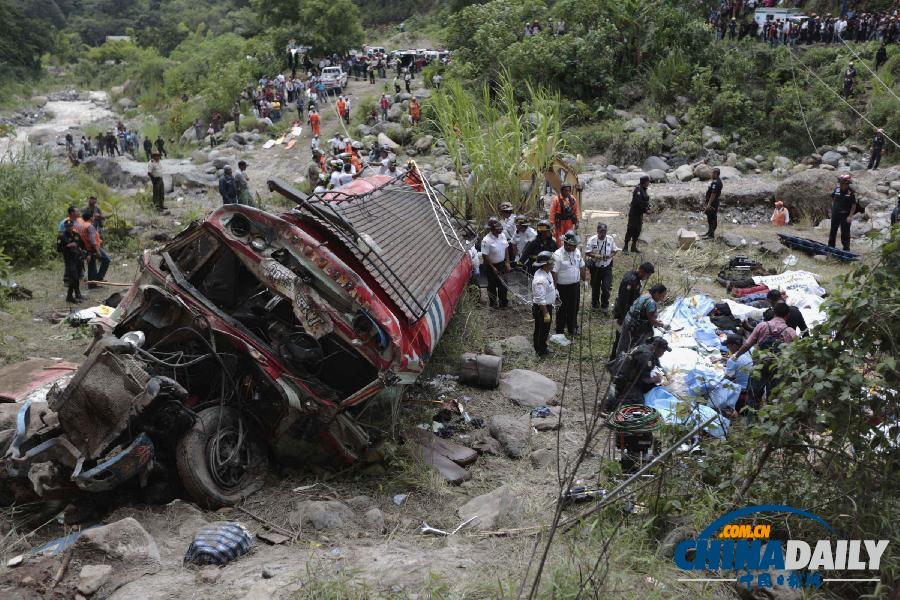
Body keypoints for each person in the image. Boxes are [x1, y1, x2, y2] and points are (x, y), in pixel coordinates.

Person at [733, 302, 797, 407]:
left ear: (774, 312)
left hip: (760, 365)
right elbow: (795, 352)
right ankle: (770, 419)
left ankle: (751, 420)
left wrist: (736, 356)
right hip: (777, 368)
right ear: (787, 315)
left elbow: (747, 344)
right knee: (774, 397)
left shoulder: (762, 326)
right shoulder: (790, 332)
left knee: (753, 395)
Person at [611, 337, 670, 408]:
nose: (663, 353)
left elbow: (658, 365)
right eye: (663, 351)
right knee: (638, 402)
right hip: (626, 380)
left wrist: (665, 375)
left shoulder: (651, 350)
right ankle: (609, 403)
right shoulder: (645, 356)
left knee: (655, 386)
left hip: (632, 377)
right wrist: (655, 379)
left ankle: (623, 394)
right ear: (657, 348)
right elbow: (642, 377)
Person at [616, 283, 668, 356]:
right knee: (635, 347)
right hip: (635, 325)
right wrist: (662, 325)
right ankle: (626, 362)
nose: (662, 298)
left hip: (628, 320)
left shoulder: (645, 295)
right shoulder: (651, 303)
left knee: (623, 344)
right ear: (656, 293)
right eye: (662, 296)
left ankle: (617, 360)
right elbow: (651, 320)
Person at [552, 231, 586, 338]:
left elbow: (582, 265)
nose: (574, 247)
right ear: (566, 243)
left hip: (575, 286)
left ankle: (572, 328)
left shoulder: (577, 252)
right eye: (573, 245)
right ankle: (560, 331)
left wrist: (585, 280)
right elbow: (554, 272)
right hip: (562, 287)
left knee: (574, 308)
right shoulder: (557, 255)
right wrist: (555, 289)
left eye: (575, 245)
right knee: (562, 310)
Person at [584, 222, 618, 314]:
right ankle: (595, 304)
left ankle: (605, 305)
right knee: (595, 286)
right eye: (601, 232)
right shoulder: (592, 240)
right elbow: (587, 252)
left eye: (604, 232)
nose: (603, 234)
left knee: (606, 287)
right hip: (595, 267)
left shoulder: (610, 239)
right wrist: (596, 256)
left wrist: (609, 256)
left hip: (607, 267)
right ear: (597, 231)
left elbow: (615, 251)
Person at [531, 251, 557, 357]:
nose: (554, 264)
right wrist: (546, 313)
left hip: (547, 306)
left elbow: (550, 287)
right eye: (552, 262)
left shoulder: (547, 272)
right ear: (546, 264)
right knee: (541, 329)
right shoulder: (540, 280)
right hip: (542, 308)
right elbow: (540, 299)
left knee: (545, 329)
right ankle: (540, 351)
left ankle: (543, 347)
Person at [482, 217, 510, 308]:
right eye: (497, 229)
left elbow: (506, 248)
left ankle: (503, 303)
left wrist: (507, 262)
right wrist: (492, 267)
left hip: (502, 263)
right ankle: (493, 304)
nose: (500, 230)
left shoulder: (502, 235)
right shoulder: (486, 240)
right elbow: (485, 255)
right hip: (491, 265)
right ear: (492, 229)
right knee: (492, 286)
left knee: (503, 284)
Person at [723, 334, 753, 415]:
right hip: (751, 391)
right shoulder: (748, 354)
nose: (727, 348)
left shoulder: (733, 359)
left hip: (741, 394)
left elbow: (726, 379)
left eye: (728, 346)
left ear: (734, 346)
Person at [57, 219, 85, 304]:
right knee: (74, 277)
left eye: (71, 226)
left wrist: (84, 253)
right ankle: (69, 296)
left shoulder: (76, 234)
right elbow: (59, 249)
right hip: (69, 259)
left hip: (78, 258)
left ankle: (77, 294)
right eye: (67, 226)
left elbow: (82, 245)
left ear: (73, 226)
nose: (69, 228)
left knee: (77, 277)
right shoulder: (62, 236)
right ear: (65, 227)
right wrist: (68, 246)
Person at [80, 211, 110, 288]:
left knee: (92, 265)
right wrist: (97, 251)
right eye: (93, 216)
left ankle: (92, 284)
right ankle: (99, 278)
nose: (94, 218)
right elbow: (92, 240)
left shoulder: (82, 226)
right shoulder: (90, 226)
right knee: (106, 260)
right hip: (93, 248)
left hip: (87, 248)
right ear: (91, 218)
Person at [828, 174, 857, 251]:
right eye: (840, 183)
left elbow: (853, 205)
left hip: (845, 215)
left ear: (847, 184)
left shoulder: (851, 193)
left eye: (842, 183)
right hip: (835, 214)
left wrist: (850, 216)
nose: (841, 185)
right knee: (833, 231)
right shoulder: (837, 190)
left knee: (845, 233)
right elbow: (833, 198)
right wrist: (832, 209)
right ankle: (831, 247)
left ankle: (846, 249)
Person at [623, 176, 650, 254]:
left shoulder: (644, 190)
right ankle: (625, 247)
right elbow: (638, 203)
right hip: (634, 214)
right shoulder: (638, 190)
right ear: (644, 182)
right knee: (631, 230)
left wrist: (648, 207)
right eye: (648, 181)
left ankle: (633, 247)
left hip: (639, 215)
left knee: (637, 230)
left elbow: (645, 201)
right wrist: (645, 210)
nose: (649, 183)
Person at [703, 168, 723, 239]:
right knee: (709, 218)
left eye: (713, 173)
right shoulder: (715, 181)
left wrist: (709, 204)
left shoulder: (716, 182)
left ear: (716, 174)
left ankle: (711, 235)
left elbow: (713, 194)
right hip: (711, 202)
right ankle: (709, 232)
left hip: (713, 203)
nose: (711, 174)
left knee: (712, 218)